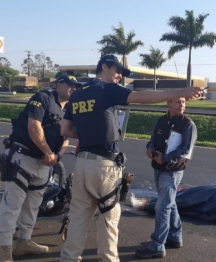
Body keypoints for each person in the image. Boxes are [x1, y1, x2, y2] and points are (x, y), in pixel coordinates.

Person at [59, 54, 205, 262]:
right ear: (104, 67)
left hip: (82, 163)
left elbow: (65, 129)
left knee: (78, 218)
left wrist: (90, 132)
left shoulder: (78, 93)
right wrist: (182, 92)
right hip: (104, 165)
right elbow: (141, 96)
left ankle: (68, 258)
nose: (120, 75)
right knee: (109, 218)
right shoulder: (106, 89)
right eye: (117, 70)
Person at [0, 75, 80, 262]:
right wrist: (48, 151)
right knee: (12, 205)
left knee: (33, 206)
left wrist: (56, 156)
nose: (73, 89)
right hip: (22, 158)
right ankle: (4, 248)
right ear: (59, 84)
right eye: (69, 85)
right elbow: (34, 128)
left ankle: (23, 242)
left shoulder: (69, 109)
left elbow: (66, 137)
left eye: (76, 86)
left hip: (44, 163)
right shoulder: (42, 98)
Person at [135, 97, 197, 259]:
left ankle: (157, 245)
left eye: (183, 102)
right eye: (178, 102)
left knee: (162, 207)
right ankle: (175, 237)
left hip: (172, 170)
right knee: (170, 203)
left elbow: (185, 150)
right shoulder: (161, 121)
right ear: (168, 103)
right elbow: (152, 140)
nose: (182, 105)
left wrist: (166, 158)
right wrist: (150, 148)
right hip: (158, 168)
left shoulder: (188, 124)